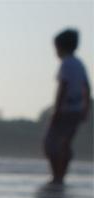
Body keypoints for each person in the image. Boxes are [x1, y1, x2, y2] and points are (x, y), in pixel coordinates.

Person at [44, 29, 90, 184]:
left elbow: (62, 87)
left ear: (61, 47)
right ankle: (60, 175)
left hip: (65, 109)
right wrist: (86, 108)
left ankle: (57, 176)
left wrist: (56, 110)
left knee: (50, 143)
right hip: (77, 109)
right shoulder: (79, 63)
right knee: (65, 144)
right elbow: (87, 87)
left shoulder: (66, 64)